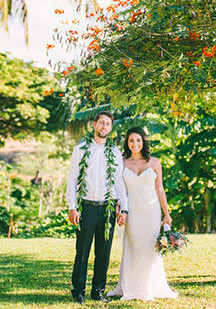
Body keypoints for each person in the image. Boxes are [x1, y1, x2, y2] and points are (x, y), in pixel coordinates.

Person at [107, 126, 178, 301]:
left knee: (149, 248)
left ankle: (150, 285)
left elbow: (160, 189)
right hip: (132, 212)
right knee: (132, 248)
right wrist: (119, 211)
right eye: (131, 140)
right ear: (127, 143)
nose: (135, 144)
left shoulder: (154, 162)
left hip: (151, 211)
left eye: (138, 140)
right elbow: (118, 191)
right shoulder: (122, 163)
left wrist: (166, 214)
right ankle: (129, 286)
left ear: (144, 141)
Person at [66, 111, 128, 305]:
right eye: (101, 123)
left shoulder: (116, 153)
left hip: (108, 208)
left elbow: (119, 182)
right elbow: (73, 178)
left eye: (108, 124)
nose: (104, 127)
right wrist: (72, 207)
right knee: (82, 251)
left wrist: (124, 209)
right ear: (94, 125)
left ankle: (98, 291)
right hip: (86, 206)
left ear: (111, 128)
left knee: (104, 251)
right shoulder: (81, 149)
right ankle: (78, 291)